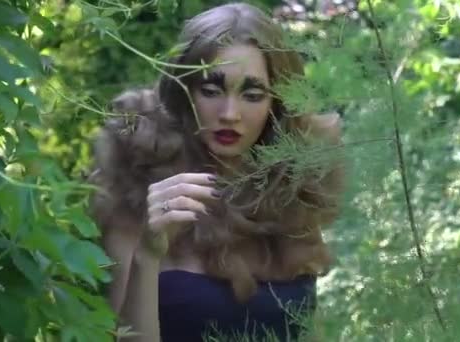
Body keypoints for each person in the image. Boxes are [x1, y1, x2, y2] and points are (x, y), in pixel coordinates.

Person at [89, 3, 344, 341]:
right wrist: (149, 254)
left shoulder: (293, 190)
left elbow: (306, 328)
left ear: (277, 104)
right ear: (184, 92)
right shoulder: (139, 190)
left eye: (252, 95)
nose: (229, 113)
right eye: (211, 90)